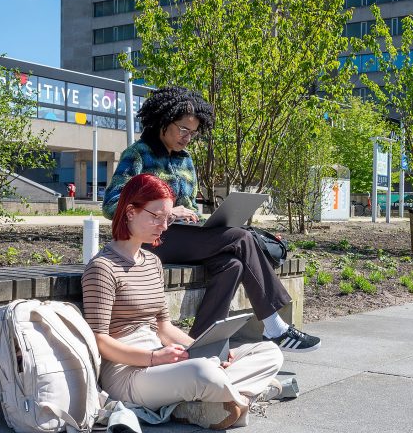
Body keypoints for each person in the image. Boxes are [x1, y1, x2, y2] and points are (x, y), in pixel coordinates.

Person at [102, 86, 321, 352]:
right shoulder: (137, 155)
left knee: (232, 265)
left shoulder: (186, 161)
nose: (188, 138)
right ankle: (275, 327)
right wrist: (168, 212)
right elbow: (112, 204)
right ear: (163, 121)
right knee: (241, 238)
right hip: (150, 241)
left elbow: (189, 206)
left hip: (182, 238)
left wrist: (198, 218)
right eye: (183, 130)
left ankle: (202, 345)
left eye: (193, 133)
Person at [83, 174, 283, 430]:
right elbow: (99, 340)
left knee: (269, 352)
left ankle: (209, 401)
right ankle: (243, 395)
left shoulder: (152, 262)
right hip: (127, 372)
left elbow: (164, 327)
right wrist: (153, 358)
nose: (164, 227)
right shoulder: (102, 268)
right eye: (157, 216)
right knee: (202, 373)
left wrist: (209, 350)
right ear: (131, 212)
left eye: (168, 218)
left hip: (163, 359)